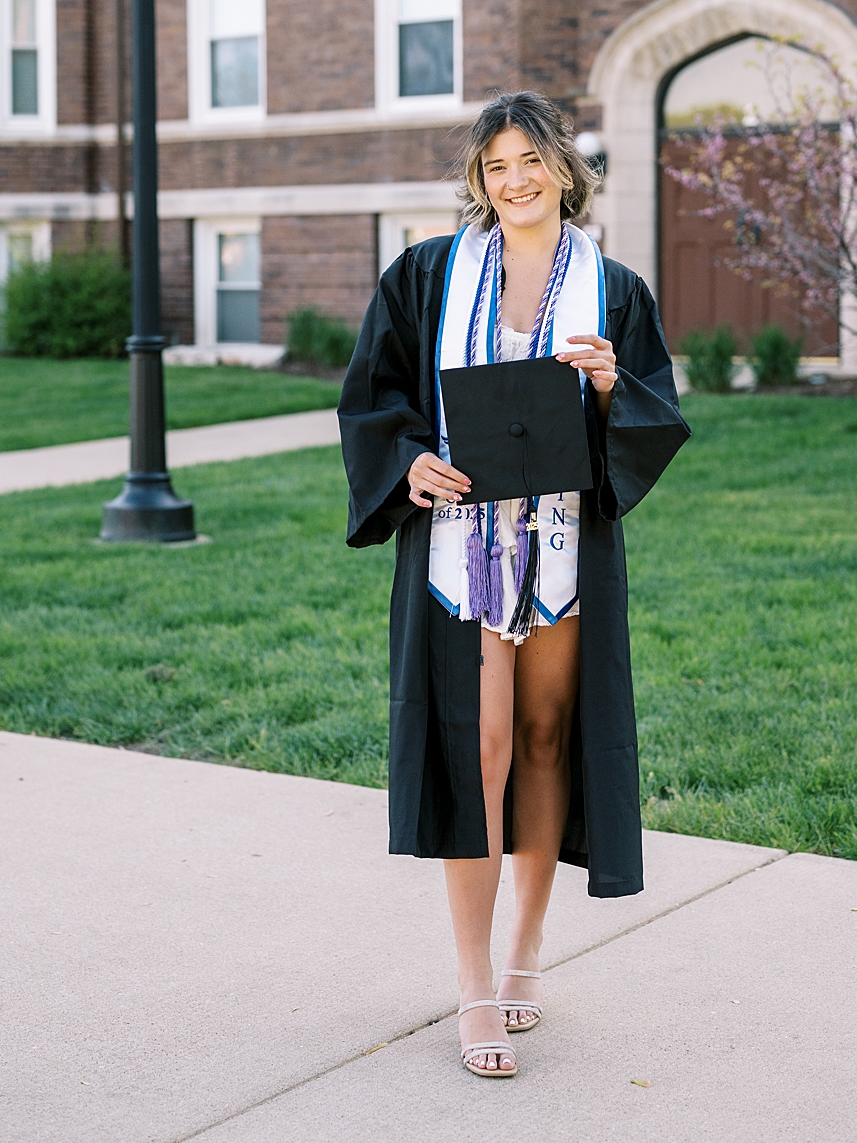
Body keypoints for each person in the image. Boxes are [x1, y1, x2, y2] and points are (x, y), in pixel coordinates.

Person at [340, 90, 689, 1079]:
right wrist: (408, 462)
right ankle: (473, 985)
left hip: (563, 548)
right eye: (495, 166)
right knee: (476, 747)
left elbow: (655, 407)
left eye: (529, 160)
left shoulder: (611, 287)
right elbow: (376, 396)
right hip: (459, 551)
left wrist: (617, 387)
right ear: (478, 182)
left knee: (543, 741)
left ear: (562, 170)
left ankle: (527, 951)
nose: (515, 180)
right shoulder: (425, 274)